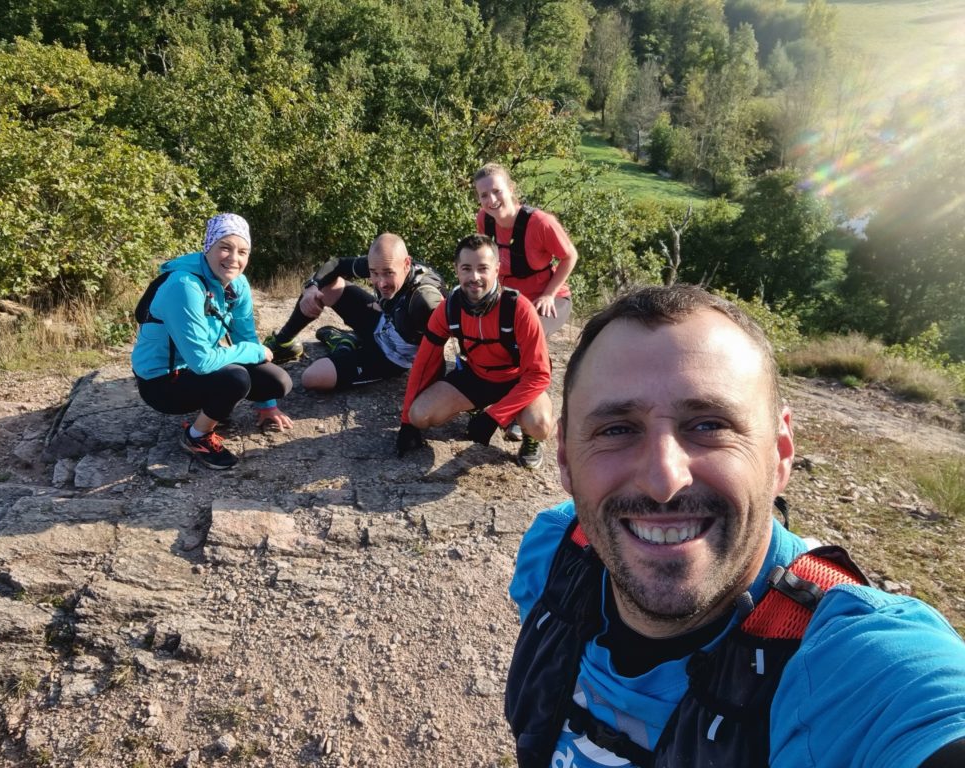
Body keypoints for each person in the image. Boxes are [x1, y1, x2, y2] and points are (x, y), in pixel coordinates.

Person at [506, 284, 965, 767]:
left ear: (780, 451)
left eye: (709, 424)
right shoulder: (555, 547)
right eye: (616, 429)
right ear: (564, 458)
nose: (664, 480)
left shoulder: (855, 666)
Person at [132, 213, 293, 470]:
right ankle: (197, 436)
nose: (233, 258)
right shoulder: (184, 285)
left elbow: (245, 335)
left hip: (194, 368)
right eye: (225, 248)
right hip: (161, 382)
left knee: (277, 381)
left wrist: (267, 405)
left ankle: (216, 407)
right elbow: (203, 363)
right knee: (236, 378)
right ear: (208, 247)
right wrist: (251, 351)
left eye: (242, 251)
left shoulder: (237, 285)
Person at [397, 234, 554, 469]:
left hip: (516, 379)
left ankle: (528, 437)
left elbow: (539, 374)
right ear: (457, 270)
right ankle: (476, 408)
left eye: (483, 268)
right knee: (420, 415)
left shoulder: (518, 309)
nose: (475, 277)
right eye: (467, 268)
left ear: (497, 269)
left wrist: (495, 417)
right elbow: (424, 362)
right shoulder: (448, 309)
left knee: (540, 425)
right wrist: (407, 420)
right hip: (475, 377)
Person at [264, 233, 445, 392]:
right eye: (374, 272)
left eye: (388, 273)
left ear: (407, 264)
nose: (381, 283)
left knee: (312, 378)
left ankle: (346, 346)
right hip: (381, 321)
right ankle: (283, 342)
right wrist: (311, 287)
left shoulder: (425, 299)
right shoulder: (384, 263)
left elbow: (442, 348)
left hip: (390, 355)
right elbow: (337, 264)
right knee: (326, 285)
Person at [473, 162, 578, 340]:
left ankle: (538, 367)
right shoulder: (485, 219)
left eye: (497, 191)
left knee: (525, 334)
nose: (491, 200)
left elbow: (570, 256)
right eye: (484, 195)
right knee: (476, 328)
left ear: (511, 189)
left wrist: (548, 295)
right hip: (509, 297)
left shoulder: (540, 223)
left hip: (546, 298)